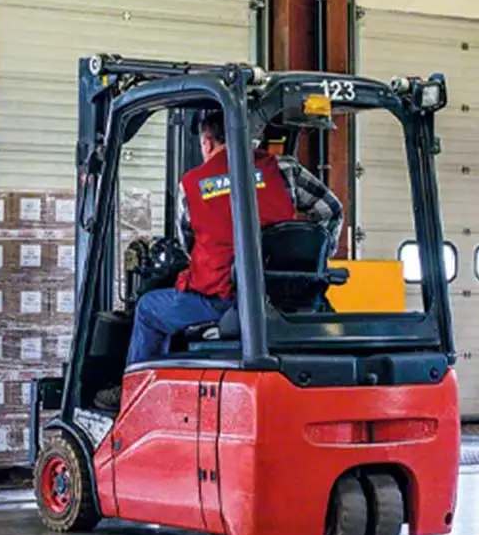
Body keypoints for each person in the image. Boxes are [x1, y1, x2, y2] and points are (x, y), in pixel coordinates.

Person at [94, 111, 343, 412]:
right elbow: (331, 209)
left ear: (207, 142)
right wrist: (313, 259)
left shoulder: (192, 185)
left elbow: (190, 245)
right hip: (292, 299)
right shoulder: (284, 168)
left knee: (149, 308)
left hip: (226, 301)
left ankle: (137, 400)